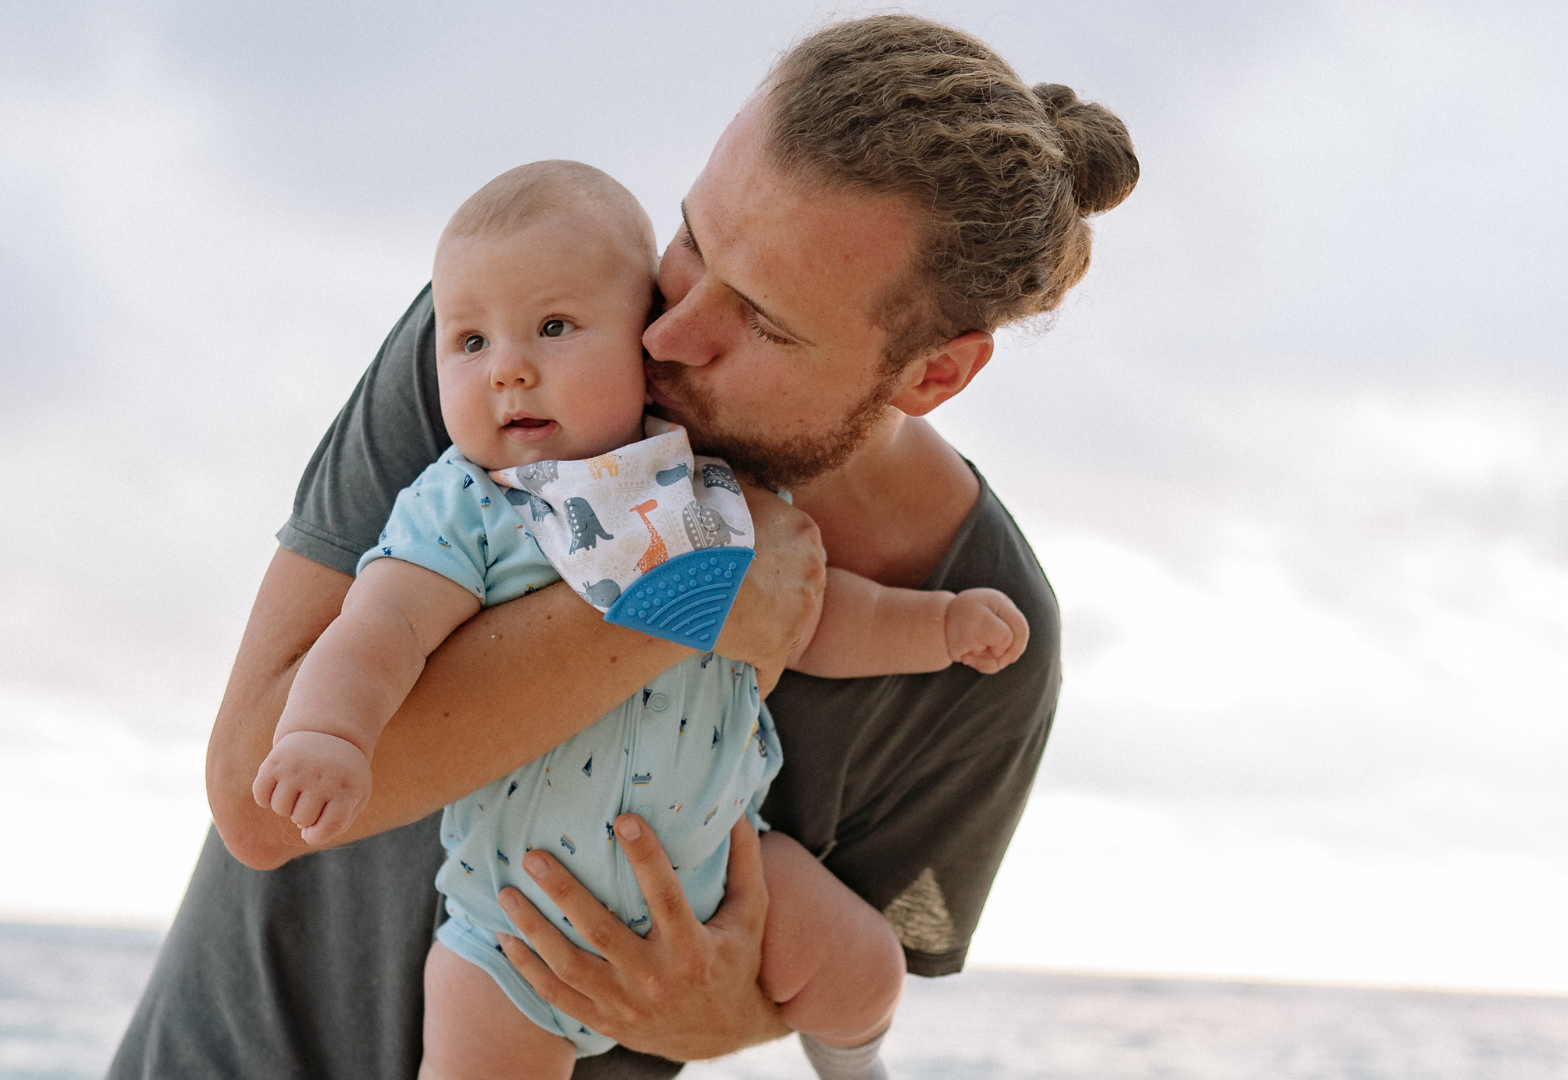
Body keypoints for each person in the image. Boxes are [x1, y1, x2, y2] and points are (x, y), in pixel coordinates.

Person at [109, 14, 1136, 1079]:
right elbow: (256, 803)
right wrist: (693, 595)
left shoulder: (984, 626)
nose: (667, 330)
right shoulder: (511, 350)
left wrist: (723, 1020)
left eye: (765, 321)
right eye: (692, 240)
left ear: (935, 376)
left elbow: (825, 979)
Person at [251, 159, 1028, 1079]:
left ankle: (854, 1067)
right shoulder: (464, 505)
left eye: (553, 329)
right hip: (513, 927)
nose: (508, 368)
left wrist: (934, 627)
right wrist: (328, 733)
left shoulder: (705, 481)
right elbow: (377, 631)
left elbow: (807, 615)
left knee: (867, 969)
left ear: (643, 344)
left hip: (721, 863)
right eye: (467, 344)